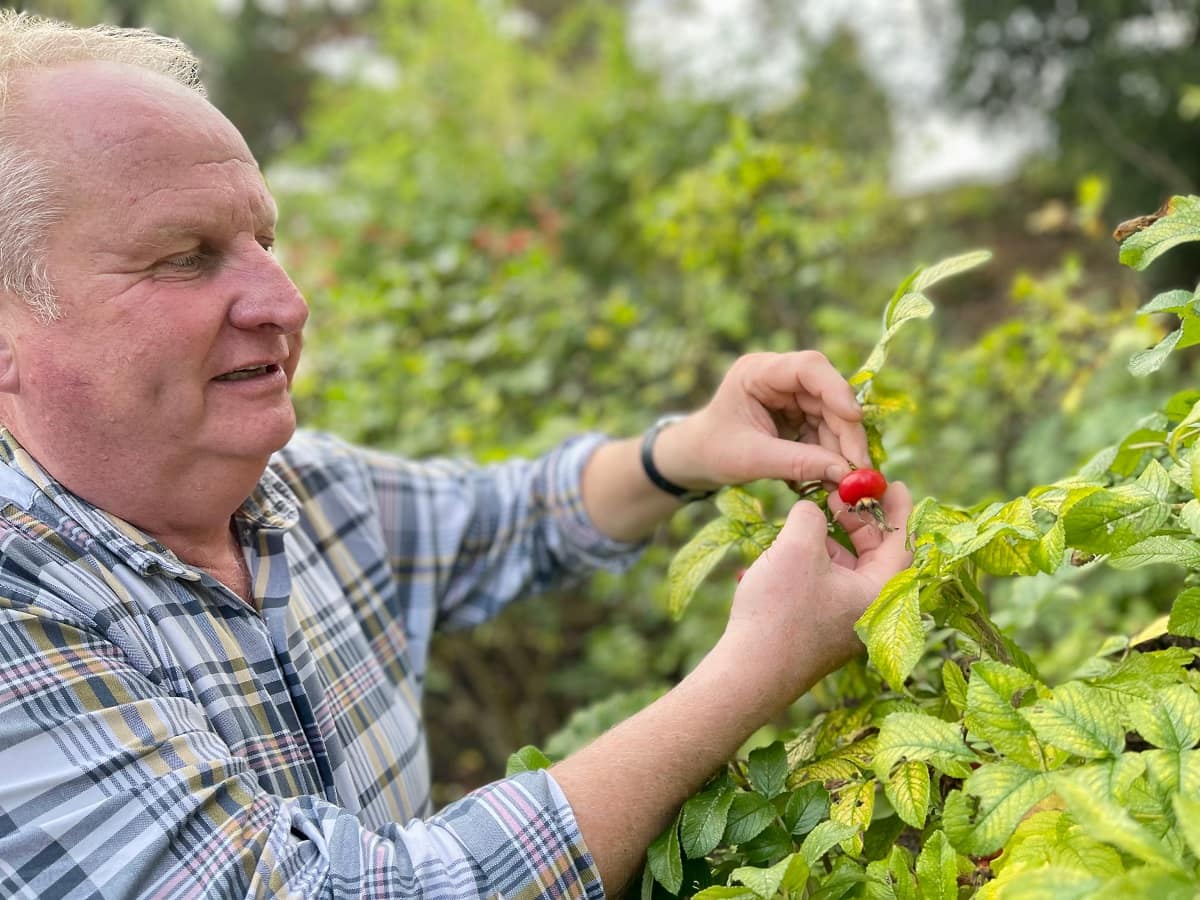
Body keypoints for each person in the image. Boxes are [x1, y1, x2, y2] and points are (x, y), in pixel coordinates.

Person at [0, 11, 912, 900]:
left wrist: (690, 450)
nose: (284, 301)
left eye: (265, 243)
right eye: (185, 257)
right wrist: (756, 667)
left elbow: (507, 515)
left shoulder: (306, 493)